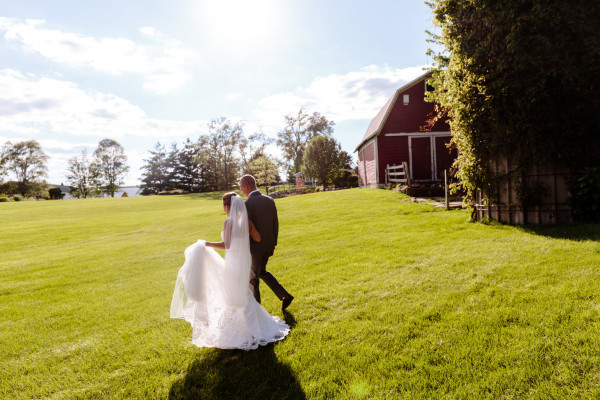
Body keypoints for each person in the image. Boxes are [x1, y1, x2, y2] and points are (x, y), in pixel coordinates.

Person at [170, 192, 289, 350]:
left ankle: (241, 329)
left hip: (233, 262)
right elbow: (258, 238)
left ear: (227, 207)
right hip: (244, 261)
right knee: (242, 292)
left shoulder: (228, 223)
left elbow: (226, 245)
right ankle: (253, 324)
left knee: (234, 294)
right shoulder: (247, 222)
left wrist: (206, 243)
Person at [238, 175, 294, 310]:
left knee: (253, 279)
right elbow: (275, 224)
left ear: (246, 186)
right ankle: (285, 295)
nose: (242, 191)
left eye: (241, 188)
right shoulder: (269, 200)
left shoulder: (247, 204)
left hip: (255, 249)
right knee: (262, 272)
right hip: (268, 245)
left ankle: (258, 313)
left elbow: (248, 229)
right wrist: (273, 245)